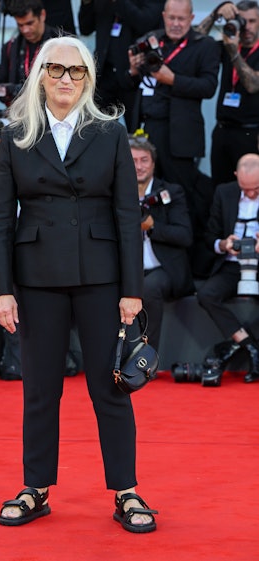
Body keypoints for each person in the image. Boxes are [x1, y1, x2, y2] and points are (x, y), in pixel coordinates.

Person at [0, 35, 158, 532]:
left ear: (88, 79)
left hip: (103, 278)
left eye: (76, 71)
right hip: (36, 279)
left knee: (111, 388)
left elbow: (128, 214)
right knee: (40, 389)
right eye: (57, 70)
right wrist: (2, 288)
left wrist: (132, 289)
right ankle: (35, 488)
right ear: (40, 74)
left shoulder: (109, 132)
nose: (66, 79)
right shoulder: (15, 133)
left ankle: (126, 491)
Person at [127, 0, 220, 235]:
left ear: (191, 19)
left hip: (181, 136)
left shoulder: (205, 45)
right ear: (163, 16)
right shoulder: (151, 40)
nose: (176, 24)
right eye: (171, 18)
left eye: (181, 19)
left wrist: (173, 80)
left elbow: (208, 86)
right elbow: (131, 84)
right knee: (145, 194)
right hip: (146, 130)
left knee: (182, 197)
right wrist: (133, 70)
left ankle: (187, 259)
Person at [197, 153, 259, 383]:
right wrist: (224, 244)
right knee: (206, 294)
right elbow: (210, 236)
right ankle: (250, 346)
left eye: (257, 189)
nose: (251, 193)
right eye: (246, 188)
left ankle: (247, 348)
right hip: (233, 265)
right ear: (236, 176)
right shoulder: (225, 193)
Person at [129, 134, 194, 351]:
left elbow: (185, 235)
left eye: (144, 160)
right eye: (133, 160)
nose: (139, 166)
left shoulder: (171, 193)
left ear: (153, 163)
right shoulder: (115, 194)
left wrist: (153, 227)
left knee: (148, 288)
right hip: (127, 268)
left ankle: (147, 358)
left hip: (163, 269)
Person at [196, 1, 259, 187]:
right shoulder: (227, 45)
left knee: (250, 187)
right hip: (223, 130)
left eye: (252, 21)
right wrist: (215, 14)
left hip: (250, 133)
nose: (246, 27)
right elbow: (195, 42)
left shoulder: (233, 49)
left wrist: (234, 53)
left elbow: (253, 85)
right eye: (242, 21)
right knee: (221, 188)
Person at [78, 0, 165, 131]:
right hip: (105, 76)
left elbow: (145, 23)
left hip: (135, 76)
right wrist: (87, 3)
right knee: (99, 133)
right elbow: (85, 28)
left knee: (137, 135)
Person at [0, 0, 60, 108]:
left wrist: (18, 90)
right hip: (19, 114)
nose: (25, 30)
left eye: (30, 23)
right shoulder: (10, 46)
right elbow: (0, 86)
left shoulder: (62, 44)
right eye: (20, 25)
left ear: (42, 15)